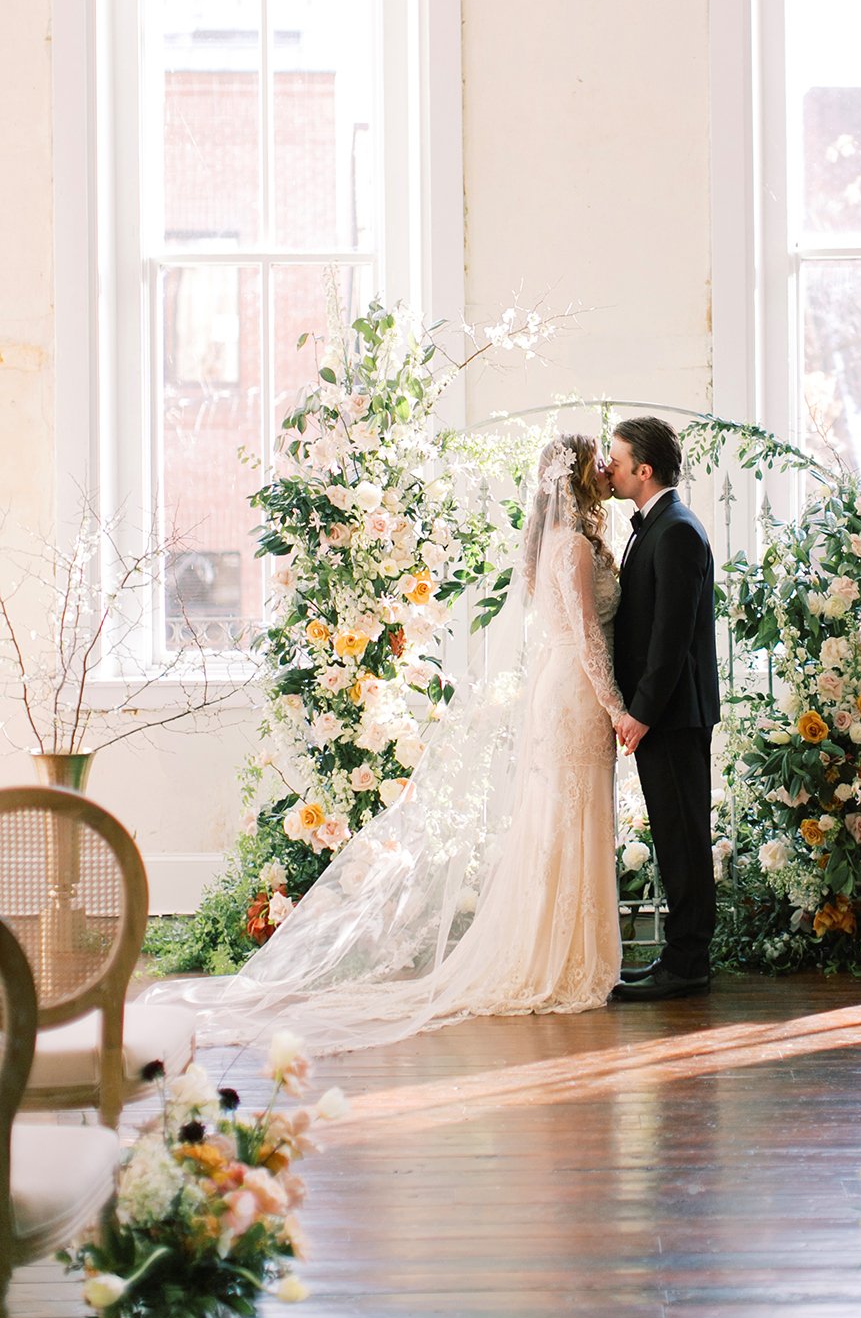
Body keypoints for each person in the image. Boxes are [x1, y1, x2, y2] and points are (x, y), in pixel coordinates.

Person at [162, 435, 629, 1057]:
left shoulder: (554, 545)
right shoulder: (570, 546)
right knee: (568, 817)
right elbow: (589, 640)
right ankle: (559, 958)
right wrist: (619, 708)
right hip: (575, 690)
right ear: (573, 479)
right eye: (595, 460)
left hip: (564, 688)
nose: (604, 470)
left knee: (565, 818)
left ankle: (563, 947)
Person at [607, 416, 721, 1002]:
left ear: (643, 469)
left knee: (683, 837)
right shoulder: (655, 525)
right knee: (677, 832)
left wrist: (642, 712)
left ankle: (688, 962)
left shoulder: (675, 530)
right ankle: (683, 956)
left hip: (673, 716)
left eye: (617, 457)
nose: (610, 466)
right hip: (665, 715)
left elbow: (671, 638)